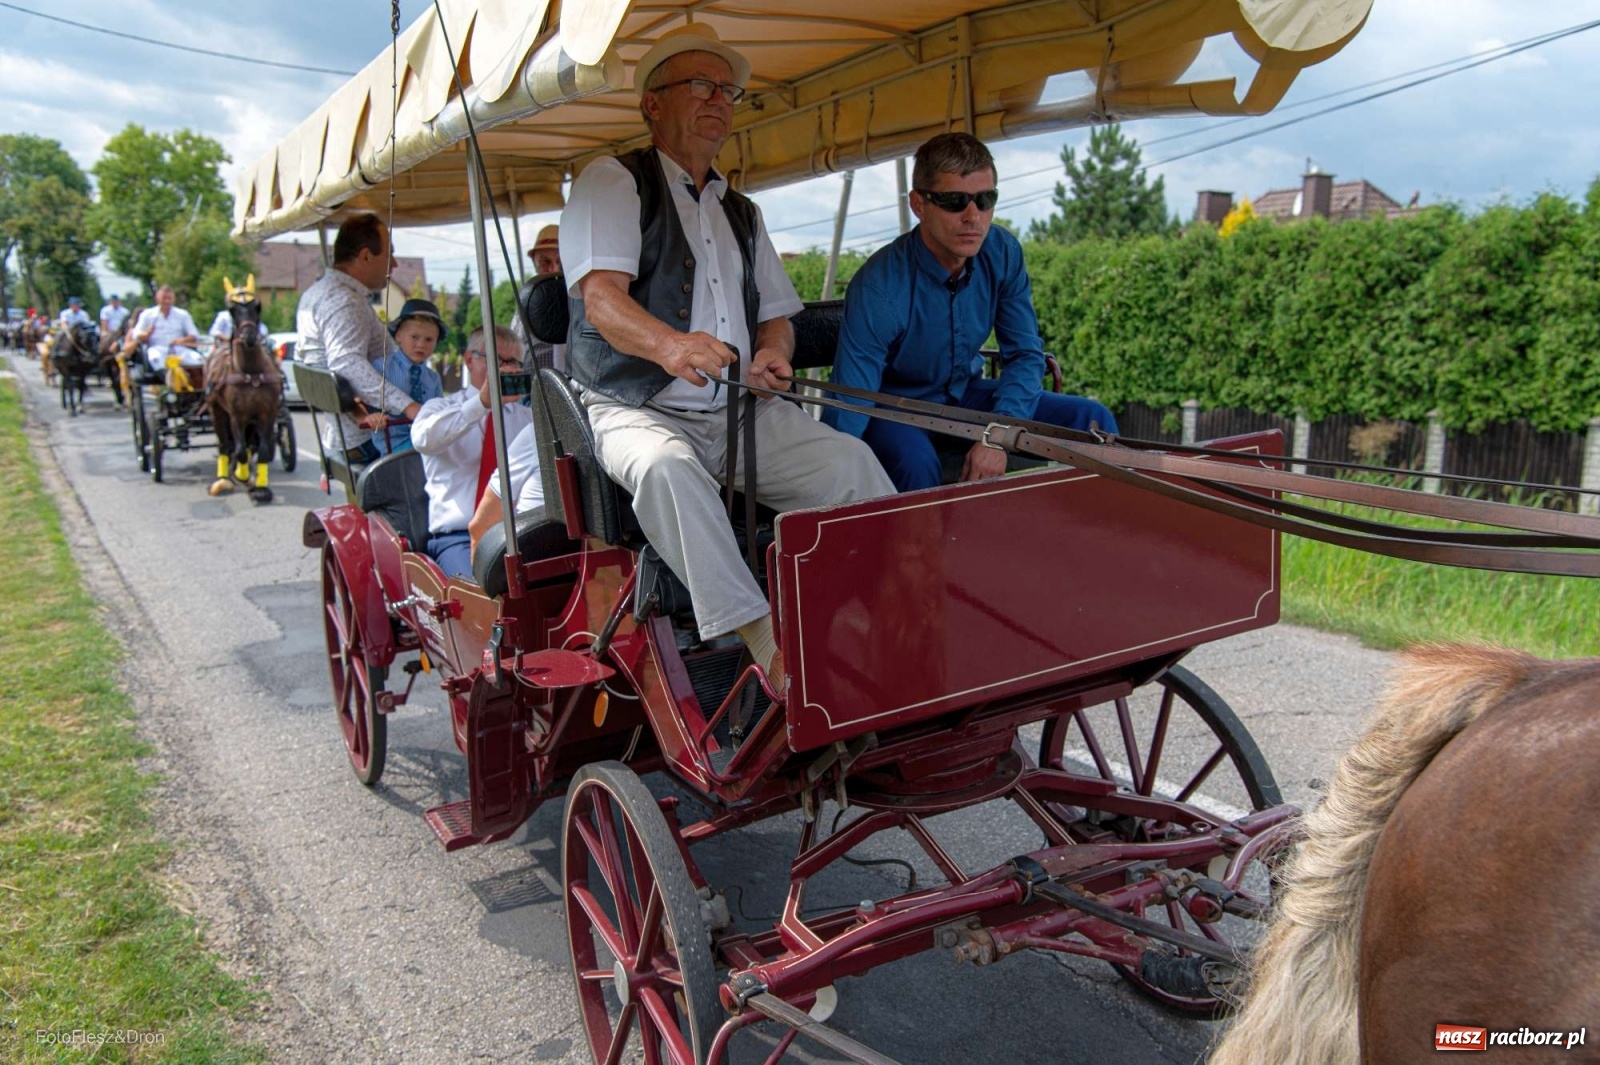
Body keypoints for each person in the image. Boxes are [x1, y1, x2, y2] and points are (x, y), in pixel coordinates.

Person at [561, 24, 893, 681]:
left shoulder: (742, 212)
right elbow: (600, 299)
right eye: (701, 85)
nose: (719, 99)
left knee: (853, 466)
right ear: (653, 103)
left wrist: (773, 352)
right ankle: (765, 639)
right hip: (636, 407)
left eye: (728, 90)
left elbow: (777, 318)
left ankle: (875, 617)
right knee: (666, 469)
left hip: (739, 409)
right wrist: (670, 344)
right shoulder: (613, 180)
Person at [825, 132, 1119, 492]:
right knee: (915, 462)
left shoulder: (1003, 252)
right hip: (896, 409)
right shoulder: (878, 286)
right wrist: (831, 471)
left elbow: (1025, 356)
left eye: (985, 199)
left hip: (967, 397)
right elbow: (851, 400)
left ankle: (1105, 524)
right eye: (954, 201)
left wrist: (998, 434)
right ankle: (926, 533)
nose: (973, 216)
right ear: (918, 204)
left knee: (1092, 419)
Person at [296, 213, 420, 466]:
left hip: (343, 435)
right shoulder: (345, 302)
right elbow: (347, 364)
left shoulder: (316, 293)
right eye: (389, 254)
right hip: (374, 437)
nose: (395, 264)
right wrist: (409, 406)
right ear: (366, 256)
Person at [412, 324, 533, 579]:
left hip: (518, 533)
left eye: (513, 362)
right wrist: (482, 403)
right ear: (470, 360)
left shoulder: (528, 419)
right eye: (497, 360)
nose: (504, 369)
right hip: (457, 537)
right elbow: (423, 439)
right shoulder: (440, 407)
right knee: (480, 594)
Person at [371, 298, 446, 455]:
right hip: (393, 444)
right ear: (399, 336)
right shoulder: (382, 367)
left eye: (429, 339)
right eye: (415, 337)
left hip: (424, 441)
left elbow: (439, 411)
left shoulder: (433, 378)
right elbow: (364, 399)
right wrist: (372, 416)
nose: (421, 344)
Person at [512, 223, 565, 373]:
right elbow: (514, 344)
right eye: (545, 262)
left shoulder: (582, 300)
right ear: (534, 262)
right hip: (533, 382)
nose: (554, 269)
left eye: (560, 262)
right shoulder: (526, 304)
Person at [131, 286, 201, 373]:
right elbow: (136, 334)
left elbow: (194, 335)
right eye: (164, 298)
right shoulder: (147, 314)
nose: (167, 301)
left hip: (179, 349)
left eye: (169, 298)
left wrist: (181, 340)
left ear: (173, 299)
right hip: (157, 348)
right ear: (157, 299)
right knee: (155, 358)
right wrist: (146, 334)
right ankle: (167, 378)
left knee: (197, 359)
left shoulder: (183, 315)